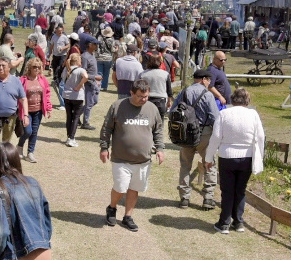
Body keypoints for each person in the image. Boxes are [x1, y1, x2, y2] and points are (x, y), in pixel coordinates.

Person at [99, 79, 164, 232]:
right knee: (121, 187)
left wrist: (160, 149)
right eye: (140, 96)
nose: (144, 99)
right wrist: (104, 147)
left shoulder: (152, 109)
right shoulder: (117, 106)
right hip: (121, 158)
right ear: (131, 93)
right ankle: (112, 208)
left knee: (134, 188)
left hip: (143, 160)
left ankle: (128, 216)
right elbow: (106, 129)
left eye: (146, 96)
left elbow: (158, 130)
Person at [204, 88, 265, 234]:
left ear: (232, 100)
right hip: (247, 157)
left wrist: (208, 157)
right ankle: (238, 222)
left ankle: (224, 223)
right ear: (247, 101)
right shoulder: (253, 114)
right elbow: (261, 137)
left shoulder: (224, 113)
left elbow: (216, 137)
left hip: (227, 157)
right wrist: (259, 157)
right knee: (240, 190)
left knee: (227, 190)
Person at [0, 142, 52, 260]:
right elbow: (46, 222)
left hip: (16, 254)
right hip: (43, 251)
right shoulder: (33, 183)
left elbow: (0, 234)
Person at [170, 69, 221, 210]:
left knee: (185, 165)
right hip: (204, 134)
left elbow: (172, 111)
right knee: (209, 164)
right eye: (209, 81)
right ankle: (208, 198)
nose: (209, 83)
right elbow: (215, 117)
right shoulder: (208, 95)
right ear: (204, 79)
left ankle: (184, 198)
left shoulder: (184, 92)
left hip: (186, 134)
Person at [17, 57, 52, 163]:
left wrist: (49, 108)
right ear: (30, 68)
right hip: (26, 111)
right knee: (28, 131)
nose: (37, 69)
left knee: (34, 132)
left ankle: (30, 153)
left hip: (38, 111)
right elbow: (18, 95)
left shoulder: (42, 79)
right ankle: (19, 146)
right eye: (34, 67)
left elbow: (47, 94)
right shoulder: (23, 80)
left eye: (38, 67)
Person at [62, 53, 88, 147]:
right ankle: (72, 138)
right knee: (76, 117)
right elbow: (86, 77)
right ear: (77, 61)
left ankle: (69, 136)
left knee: (69, 117)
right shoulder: (81, 70)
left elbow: (62, 78)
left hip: (66, 95)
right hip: (77, 96)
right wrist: (79, 86)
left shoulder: (66, 69)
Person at [137, 54, 172, 121]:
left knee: (147, 121)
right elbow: (169, 90)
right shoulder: (165, 74)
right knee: (159, 122)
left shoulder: (143, 74)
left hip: (146, 100)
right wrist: (169, 101)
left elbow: (138, 88)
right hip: (161, 100)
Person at [80, 36, 102, 130]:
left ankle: (76, 114)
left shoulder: (92, 54)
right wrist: (94, 77)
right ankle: (85, 123)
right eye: (95, 44)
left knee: (94, 101)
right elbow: (83, 72)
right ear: (89, 45)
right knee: (89, 103)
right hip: (88, 83)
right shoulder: (85, 56)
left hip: (94, 82)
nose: (97, 45)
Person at [96, 27, 116, 91]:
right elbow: (112, 50)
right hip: (108, 58)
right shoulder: (111, 40)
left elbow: (97, 48)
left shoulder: (99, 39)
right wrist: (116, 49)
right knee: (106, 73)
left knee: (99, 72)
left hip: (100, 57)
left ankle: (98, 85)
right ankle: (104, 86)